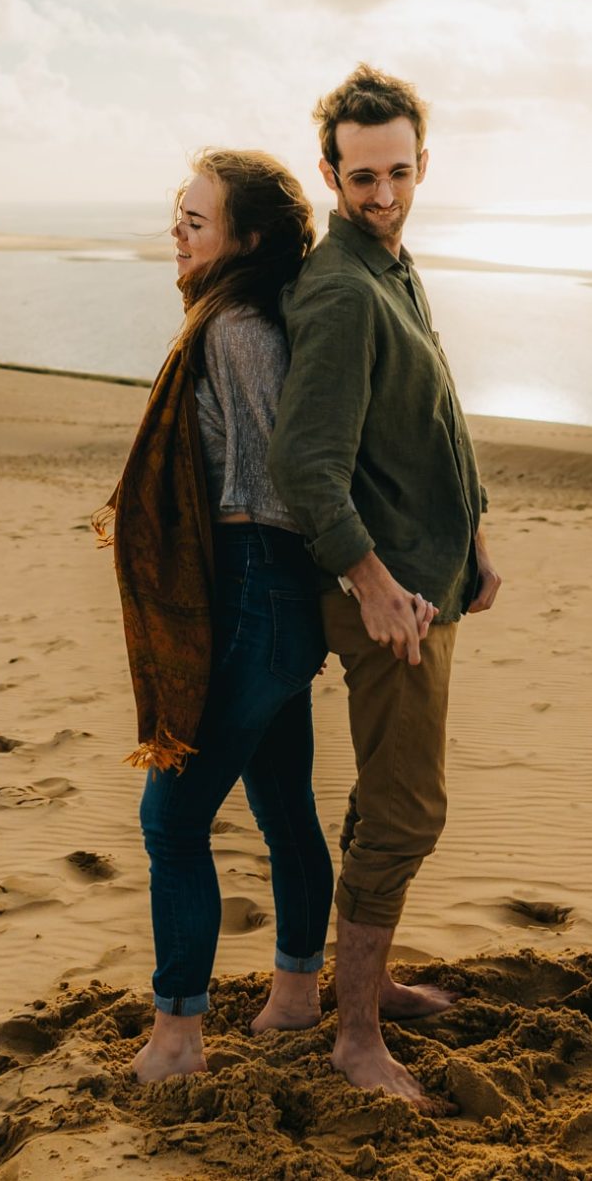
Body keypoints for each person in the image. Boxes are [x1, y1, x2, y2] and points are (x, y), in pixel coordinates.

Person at [269, 64, 501, 1113]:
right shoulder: (341, 292)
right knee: (408, 810)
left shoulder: (398, 269)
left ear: (421, 164)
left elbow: (435, 416)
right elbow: (305, 463)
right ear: (328, 171)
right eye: (361, 176)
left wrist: (479, 533)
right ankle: (353, 1033)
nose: (383, 194)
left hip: (432, 580)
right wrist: (370, 581)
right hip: (387, 598)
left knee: (384, 797)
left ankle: (371, 981)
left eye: (400, 171)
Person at [95, 147, 335, 1083]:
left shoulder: (235, 328)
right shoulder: (232, 317)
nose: (178, 236)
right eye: (178, 220)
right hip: (263, 595)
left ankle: (178, 1037)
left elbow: (279, 483)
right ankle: (295, 997)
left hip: (256, 588)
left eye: (197, 222)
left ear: (251, 239)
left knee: (171, 817)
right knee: (283, 811)